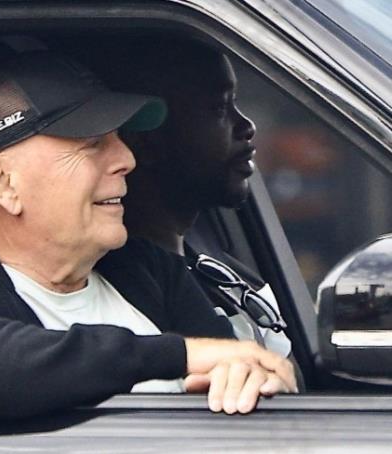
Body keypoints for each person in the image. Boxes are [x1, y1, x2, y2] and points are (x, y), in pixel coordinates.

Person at [0, 42, 297, 421]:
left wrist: (254, 378)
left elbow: (234, 369)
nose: (127, 159)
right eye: (92, 144)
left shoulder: (150, 271)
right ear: (4, 181)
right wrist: (178, 356)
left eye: (119, 138)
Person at [116, 39, 297, 364]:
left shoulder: (217, 268)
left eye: (234, 103)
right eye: (218, 108)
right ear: (146, 141)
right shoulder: (129, 296)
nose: (246, 126)